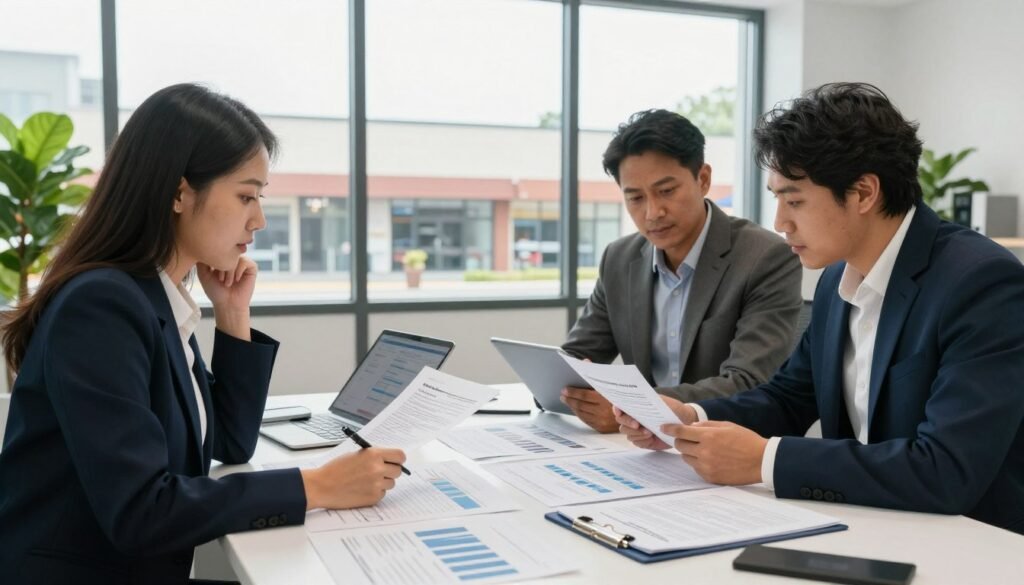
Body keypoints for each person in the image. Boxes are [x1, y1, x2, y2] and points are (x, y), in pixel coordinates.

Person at [0, 84, 407, 583]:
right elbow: (141, 511)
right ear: (178, 192)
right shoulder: (102, 305)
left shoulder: (154, 295)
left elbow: (231, 442)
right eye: (246, 196)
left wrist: (232, 313)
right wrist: (316, 486)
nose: (258, 220)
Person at [617, 83, 1024, 534]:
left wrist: (765, 460)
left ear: (864, 193)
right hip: (871, 521)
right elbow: (788, 398)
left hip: (976, 543)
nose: (780, 223)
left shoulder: (981, 283)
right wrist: (690, 418)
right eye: (777, 199)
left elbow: (946, 470)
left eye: (794, 200)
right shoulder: (836, 280)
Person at [560, 109, 803, 432]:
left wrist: (631, 407)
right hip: (645, 448)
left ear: (703, 179)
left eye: (666, 191)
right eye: (635, 197)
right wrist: (567, 390)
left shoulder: (764, 257)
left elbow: (749, 381)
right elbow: (577, 359)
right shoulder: (620, 258)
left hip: (729, 445)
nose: (652, 212)